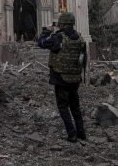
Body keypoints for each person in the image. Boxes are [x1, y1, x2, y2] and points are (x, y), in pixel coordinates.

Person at [37, 12, 87, 142]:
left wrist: (46, 31)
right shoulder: (79, 38)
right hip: (75, 78)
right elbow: (83, 59)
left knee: (63, 106)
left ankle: (72, 134)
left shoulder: (58, 38)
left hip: (61, 77)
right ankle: (81, 133)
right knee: (75, 106)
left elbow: (41, 43)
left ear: (62, 24)